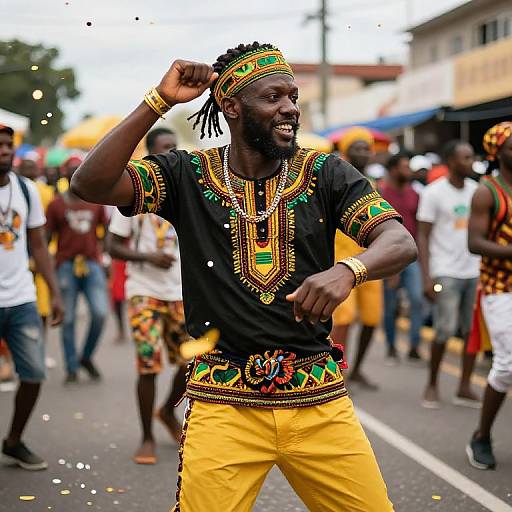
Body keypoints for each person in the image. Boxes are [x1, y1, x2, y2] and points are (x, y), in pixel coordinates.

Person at [71, 42, 416, 511]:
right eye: (273, 97)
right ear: (232, 107)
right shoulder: (186, 173)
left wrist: (348, 269)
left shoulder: (324, 172)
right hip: (223, 406)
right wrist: (159, 101)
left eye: (293, 97)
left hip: (319, 402)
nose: (290, 108)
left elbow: (399, 243)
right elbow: (89, 184)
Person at [107, 127, 189, 465]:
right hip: (144, 292)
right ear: (151, 153)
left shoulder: (187, 192)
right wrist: (147, 258)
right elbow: (110, 246)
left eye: (175, 148)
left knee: (191, 362)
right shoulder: (133, 194)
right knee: (148, 364)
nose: (171, 154)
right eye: (164, 149)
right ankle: (146, 437)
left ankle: (167, 413)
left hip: (180, 293)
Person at [0, 124, 63, 469]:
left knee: (34, 373)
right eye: (0, 145)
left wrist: (55, 294)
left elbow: (38, 245)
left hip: (21, 298)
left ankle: (13, 441)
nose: (6, 151)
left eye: (9, 145)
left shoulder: (26, 191)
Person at [417, 140, 481, 409]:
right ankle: (432, 383)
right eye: (465, 158)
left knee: (471, 332)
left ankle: (464, 386)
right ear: (451, 161)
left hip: (474, 271)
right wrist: (427, 276)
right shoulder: (433, 193)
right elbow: (423, 235)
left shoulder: (477, 191)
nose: (470, 162)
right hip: (445, 271)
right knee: (443, 330)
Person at [466, 122, 512, 470]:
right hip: (500, 289)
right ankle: (481, 436)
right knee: (507, 364)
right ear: (498, 152)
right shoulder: (487, 192)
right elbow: (475, 243)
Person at [45, 159, 108, 384]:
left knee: (100, 314)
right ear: (64, 175)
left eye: (77, 172)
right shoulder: (55, 204)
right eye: (70, 173)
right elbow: (45, 238)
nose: (74, 177)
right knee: (68, 319)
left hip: (91, 264)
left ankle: (86, 357)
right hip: (66, 266)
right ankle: (71, 367)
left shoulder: (96, 203)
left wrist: (103, 251)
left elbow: (106, 229)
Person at [331, 127, 384, 390]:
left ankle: (358, 369)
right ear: (346, 151)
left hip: (370, 262)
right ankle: (337, 374)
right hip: (341, 261)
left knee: (373, 318)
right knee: (342, 320)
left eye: (367, 148)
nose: (363, 153)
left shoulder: (371, 184)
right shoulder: (336, 177)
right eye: (357, 148)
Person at [379, 152, 423, 363]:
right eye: (405, 166)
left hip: (412, 258)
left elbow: (421, 229)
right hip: (390, 258)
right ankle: (390, 347)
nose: (409, 171)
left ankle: (414, 346)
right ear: (394, 169)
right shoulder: (381, 193)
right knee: (391, 305)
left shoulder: (415, 193)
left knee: (416, 299)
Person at [18, 153, 57, 369]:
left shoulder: (39, 191)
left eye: (32, 166)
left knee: (41, 309)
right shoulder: (20, 189)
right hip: (18, 260)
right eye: (25, 166)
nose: (29, 170)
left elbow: (45, 230)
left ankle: (38, 352)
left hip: (39, 257)